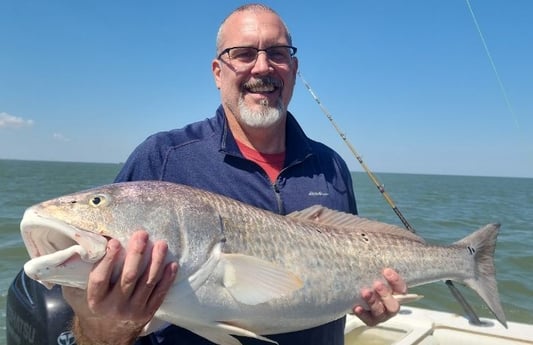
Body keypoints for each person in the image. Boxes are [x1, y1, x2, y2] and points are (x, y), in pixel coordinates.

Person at [62, 4, 407, 345]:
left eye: (278, 53)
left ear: (294, 67)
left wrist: (373, 301)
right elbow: (97, 336)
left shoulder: (331, 165)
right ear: (217, 72)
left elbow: (353, 263)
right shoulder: (162, 158)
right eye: (242, 54)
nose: (262, 66)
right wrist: (105, 322)